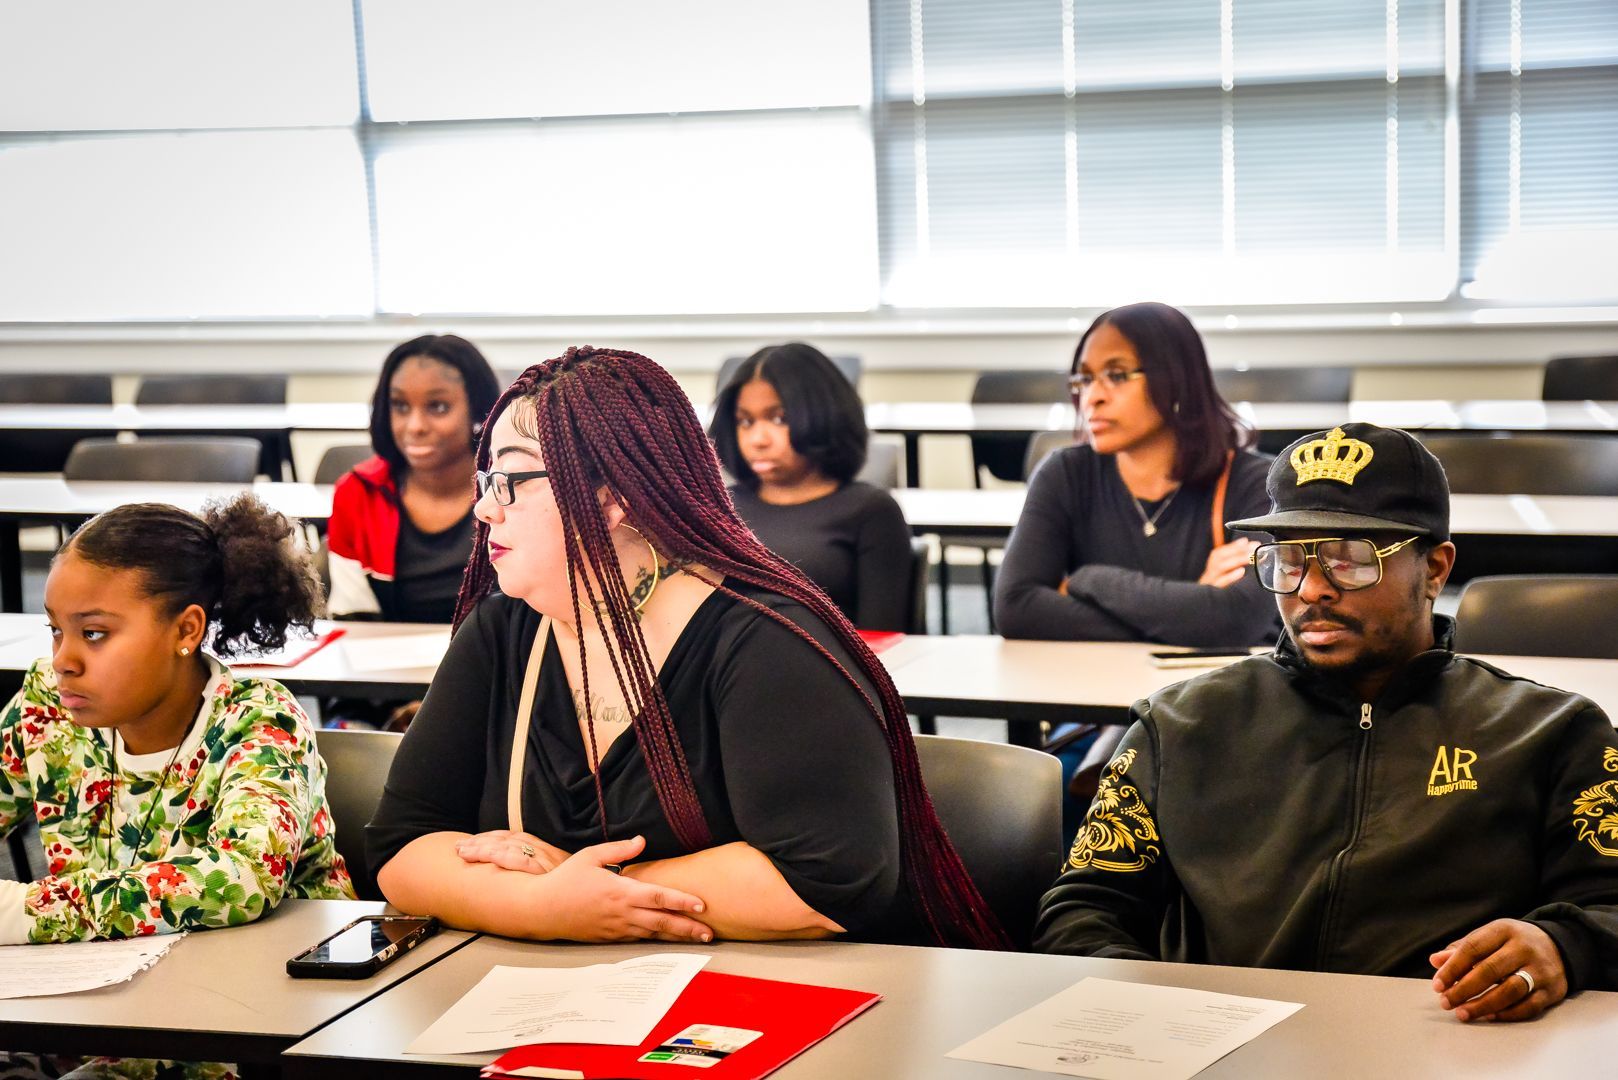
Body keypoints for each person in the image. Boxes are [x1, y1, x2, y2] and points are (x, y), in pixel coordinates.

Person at [369, 346, 1006, 949]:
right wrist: (542, 906)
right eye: (488, 479)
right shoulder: (504, 631)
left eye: (511, 479)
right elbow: (399, 851)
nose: (483, 508)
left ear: (611, 497)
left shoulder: (767, 642)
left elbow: (829, 885)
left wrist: (596, 893)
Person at [1035, 423, 1618, 1022]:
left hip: (1448, 1051)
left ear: (1436, 569)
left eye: (1351, 560)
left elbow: (1609, 906)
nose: (1312, 589)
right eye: (1288, 559)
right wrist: (1147, 1017)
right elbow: (1085, 905)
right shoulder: (1180, 725)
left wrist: (1561, 946)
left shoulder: (1551, 733)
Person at [0, 496, 353, 1079]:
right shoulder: (48, 705)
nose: (63, 660)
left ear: (186, 629)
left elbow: (241, 878)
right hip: (109, 1021)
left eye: (93, 633)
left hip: (264, 1035)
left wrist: (23, 912)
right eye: (55, 630)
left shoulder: (258, 720)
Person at [993, 302, 1276, 646]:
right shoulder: (1065, 474)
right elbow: (1016, 608)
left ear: (1176, 381)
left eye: (1116, 375)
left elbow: (1236, 618)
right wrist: (1191, 610)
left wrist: (1089, 581)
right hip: (1093, 687)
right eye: (1085, 379)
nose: (1092, 398)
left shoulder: (1255, 484)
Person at [708, 343, 912, 631]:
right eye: (745, 421)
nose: (757, 439)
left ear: (823, 416)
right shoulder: (721, 508)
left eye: (779, 419)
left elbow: (882, 636)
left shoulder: (870, 511)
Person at [327, 333, 503, 623]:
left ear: (478, 411)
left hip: (499, 662)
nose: (415, 426)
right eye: (400, 406)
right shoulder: (358, 492)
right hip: (387, 663)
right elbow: (353, 616)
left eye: (438, 407)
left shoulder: (508, 490)